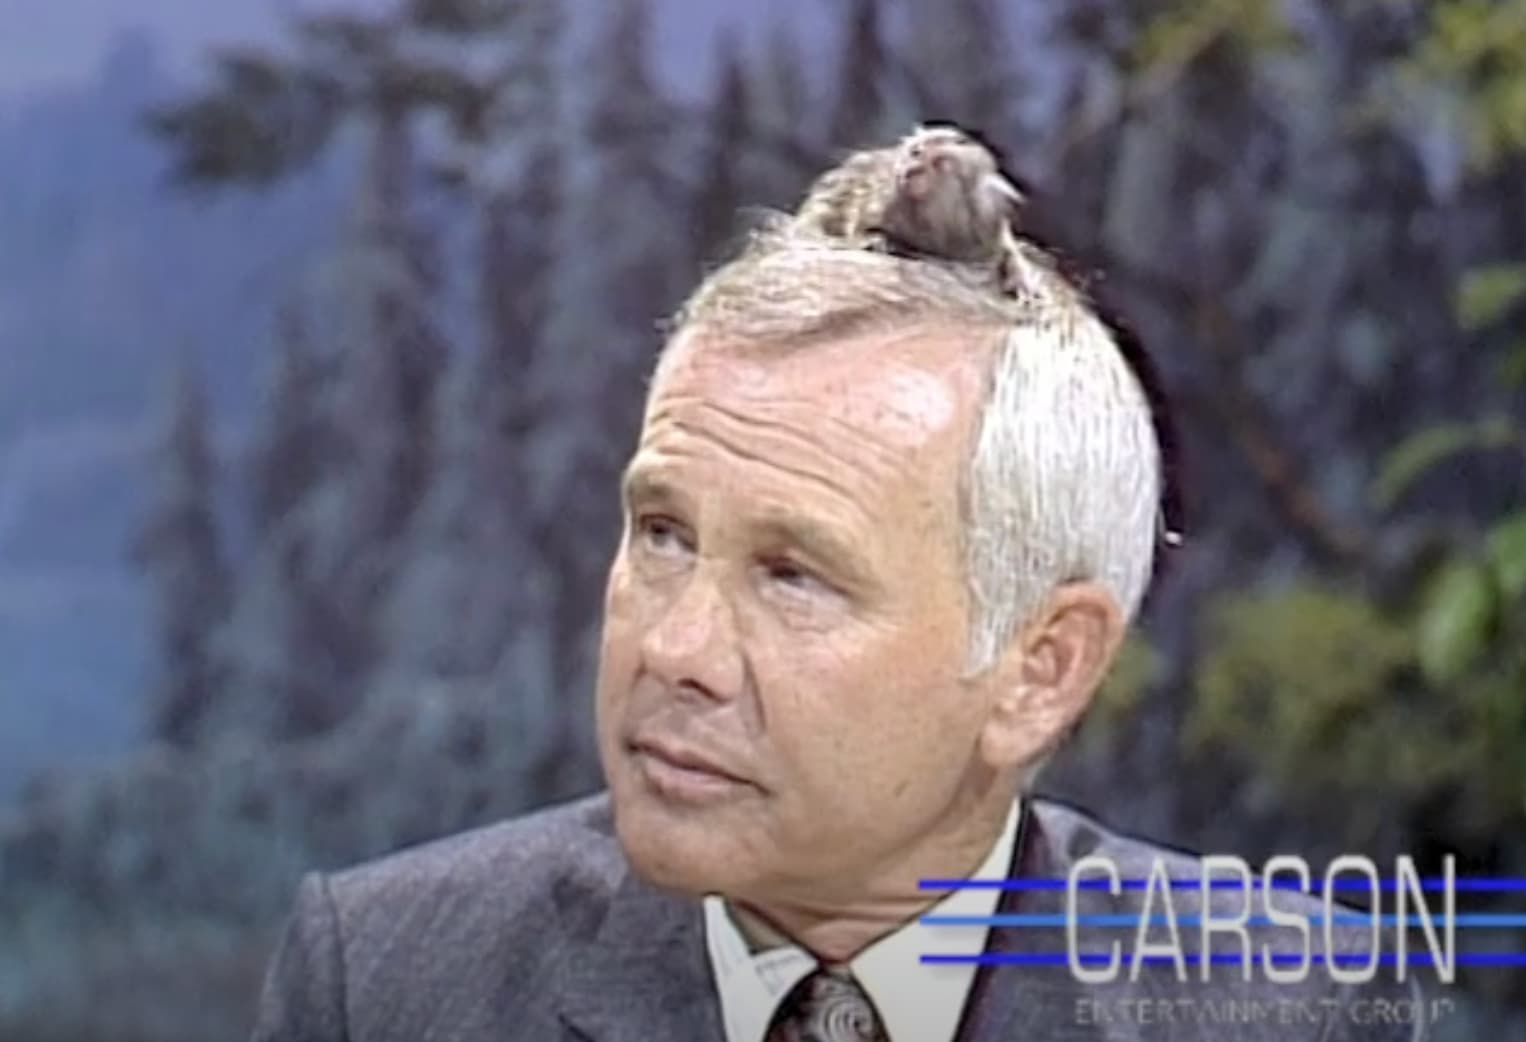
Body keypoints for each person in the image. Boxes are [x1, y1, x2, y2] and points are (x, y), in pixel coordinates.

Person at [251, 127, 1428, 1042]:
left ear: (1040, 666)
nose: (675, 650)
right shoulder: (389, 984)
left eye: (793, 574)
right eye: (661, 534)